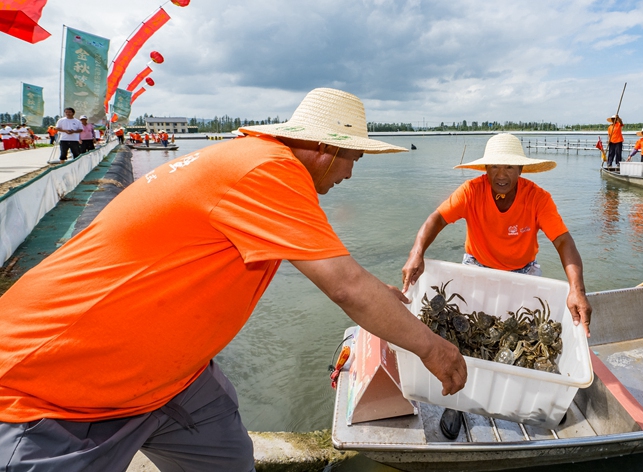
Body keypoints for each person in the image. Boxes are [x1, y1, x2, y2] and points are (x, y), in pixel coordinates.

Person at [0, 88, 466, 471]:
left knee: (228, 459)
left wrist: (375, 294)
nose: (350, 173)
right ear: (326, 150)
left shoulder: (251, 161)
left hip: (170, 376)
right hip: (57, 384)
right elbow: (345, 286)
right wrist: (433, 347)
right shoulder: (273, 169)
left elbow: (329, 268)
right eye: (353, 159)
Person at [402, 133, 592, 439]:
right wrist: (416, 253)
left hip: (524, 271)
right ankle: (455, 401)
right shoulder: (471, 191)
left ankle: (534, 401)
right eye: (494, 167)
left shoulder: (538, 198)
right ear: (485, 169)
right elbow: (436, 219)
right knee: (462, 335)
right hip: (477, 267)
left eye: (509, 167)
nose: (501, 175)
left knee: (529, 338)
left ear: (521, 170)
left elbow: (563, 240)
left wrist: (577, 289)